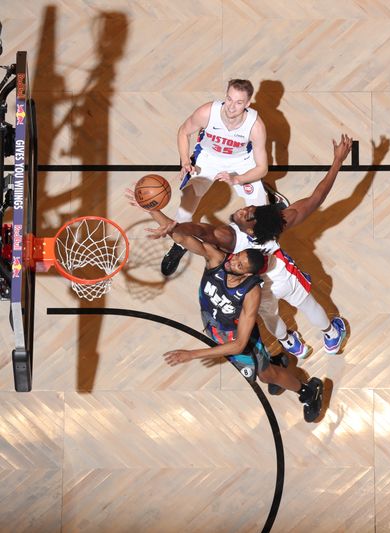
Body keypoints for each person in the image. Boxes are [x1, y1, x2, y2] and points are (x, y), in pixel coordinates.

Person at [149, 134, 353, 359]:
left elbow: (199, 231)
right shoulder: (278, 224)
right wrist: (337, 162)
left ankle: (291, 343)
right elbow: (317, 197)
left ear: (249, 229)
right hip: (280, 274)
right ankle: (331, 334)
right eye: (249, 210)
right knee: (306, 303)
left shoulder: (229, 237)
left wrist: (172, 225)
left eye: (247, 214)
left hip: (252, 283)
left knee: (270, 316)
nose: (244, 209)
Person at [134, 193, 326, 422]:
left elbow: (239, 345)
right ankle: (278, 360)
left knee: (266, 376)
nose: (233, 261)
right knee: (265, 371)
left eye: (240, 263)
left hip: (237, 339)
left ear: (247, 274)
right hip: (217, 327)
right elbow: (183, 238)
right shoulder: (217, 259)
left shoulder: (251, 293)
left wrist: (192, 354)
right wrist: (151, 208)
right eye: (238, 256)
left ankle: (307, 391)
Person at [162, 79, 270, 276]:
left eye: (239, 102)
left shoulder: (255, 126)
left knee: (262, 216)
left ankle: (254, 257)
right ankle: (179, 245)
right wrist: (185, 161)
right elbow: (184, 131)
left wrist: (237, 179)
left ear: (248, 104)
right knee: (185, 208)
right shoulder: (207, 112)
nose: (231, 106)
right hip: (208, 159)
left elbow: (262, 168)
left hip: (240, 162)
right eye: (229, 99)